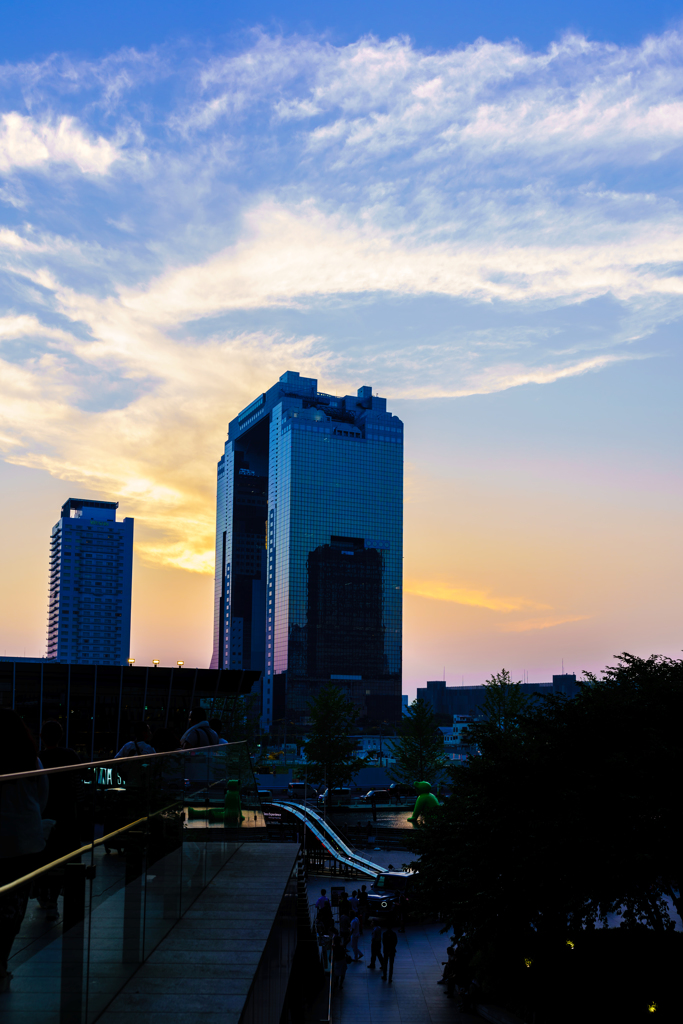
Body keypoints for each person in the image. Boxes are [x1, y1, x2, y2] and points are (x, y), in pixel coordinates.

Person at [0, 709, 49, 992]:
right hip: (24, 841)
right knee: (14, 903)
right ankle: (1, 963)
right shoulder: (33, 762)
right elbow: (41, 800)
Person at [35, 721, 80, 919]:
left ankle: (45, 895)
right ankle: (58, 896)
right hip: (67, 813)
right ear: (60, 736)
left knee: (45, 856)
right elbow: (79, 783)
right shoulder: (70, 755)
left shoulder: (37, 758)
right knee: (65, 856)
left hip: (44, 814)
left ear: (41, 736)